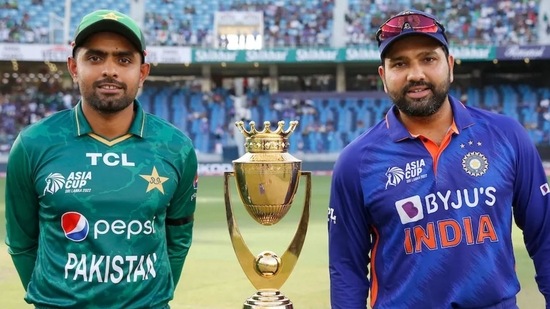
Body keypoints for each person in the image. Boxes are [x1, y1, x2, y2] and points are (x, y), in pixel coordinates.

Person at [328, 9, 550, 309]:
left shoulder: (507, 136)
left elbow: (545, 237)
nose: (415, 74)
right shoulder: (356, 161)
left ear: (450, 65)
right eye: (399, 63)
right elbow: (346, 269)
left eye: (428, 59)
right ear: (384, 76)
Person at [5, 9, 198, 308]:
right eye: (95, 58)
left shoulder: (176, 147)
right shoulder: (33, 144)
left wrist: (148, 299)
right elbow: (21, 242)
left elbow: (179, 235)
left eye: (124, 60)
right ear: (73, 66)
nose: (110, 70)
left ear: (142, 72)